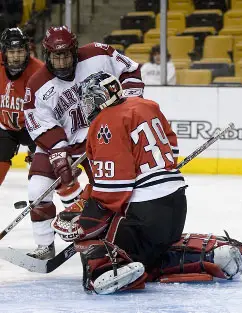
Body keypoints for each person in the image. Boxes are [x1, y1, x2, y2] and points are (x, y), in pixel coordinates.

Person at [51, 71, 187, 294]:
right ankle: (204, 256)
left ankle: (107, 270)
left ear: (101, 97)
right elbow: (171, 149)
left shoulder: (106, 121)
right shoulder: (146, 105)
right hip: (177, 203)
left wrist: (84, 224)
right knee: (154, 254)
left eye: (89, 101)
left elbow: (113, 192)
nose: (86, 107)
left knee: (97, 240)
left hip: (146, 213)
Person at [23, 26, 145, 260]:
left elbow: (130, 70)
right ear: (47, 55)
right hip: (60, 139)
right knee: (38, 188)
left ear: (75, 51)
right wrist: (58, 151)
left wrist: (129, 104)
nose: (61, 61)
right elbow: (37, 120)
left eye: (66, 54)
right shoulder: (37, 84)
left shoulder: (98, 54)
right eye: (56, 56)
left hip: (100, 134)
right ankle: (44, 245)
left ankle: (110, 234)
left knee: (110, 190)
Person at [0, 27, 43, 186]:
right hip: (5, 127)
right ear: (4, 53)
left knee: (47, 173)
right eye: (11, 52)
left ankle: (73, 199)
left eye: (19, 51)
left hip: (35, 128)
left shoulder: (39, 72)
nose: (16, 57)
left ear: (27, 51)